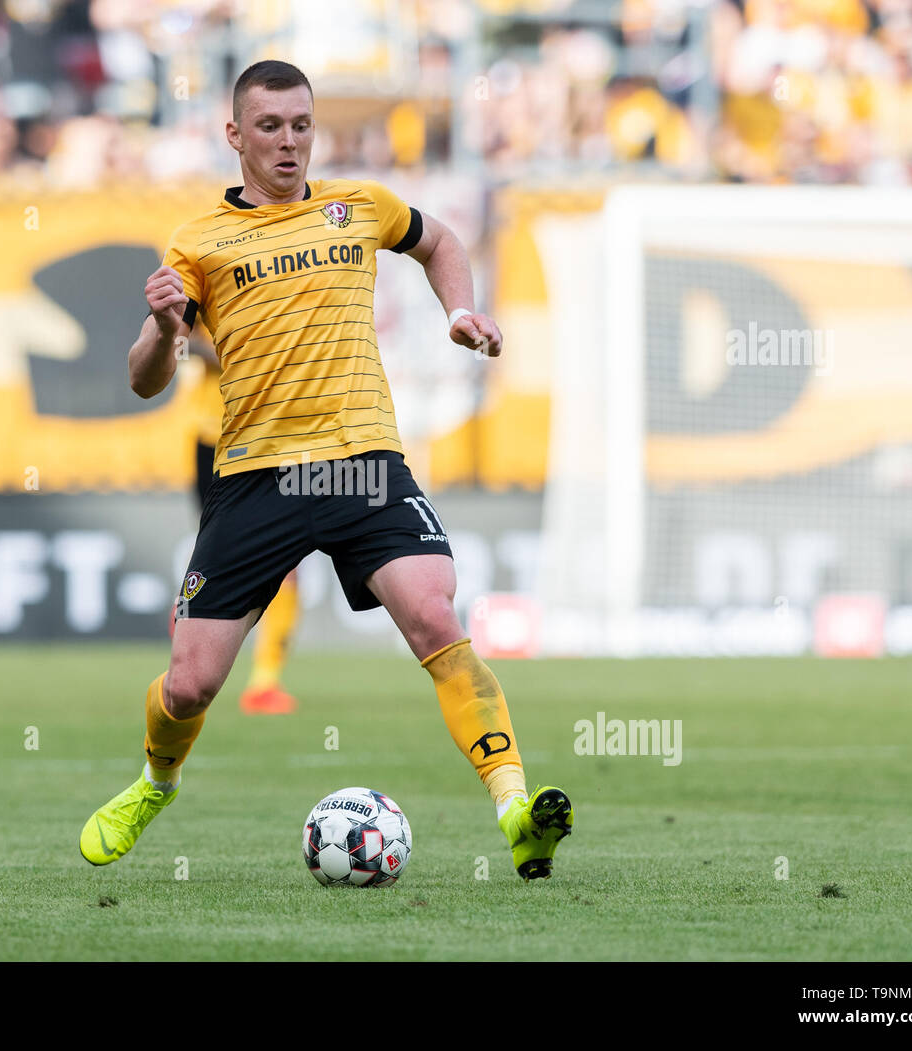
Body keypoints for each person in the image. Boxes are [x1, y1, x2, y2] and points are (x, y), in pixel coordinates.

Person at [80, 60, 573, 880]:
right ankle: (154, 783)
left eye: (301, 125)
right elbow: (143, 377)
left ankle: (515, 807)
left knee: (435, 616)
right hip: (256, 473)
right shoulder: (199, 241)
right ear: (234, 134)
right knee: (191, 684)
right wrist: (167, 329)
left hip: (362, 462)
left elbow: (441, 240)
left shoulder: (359, 206)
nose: (289, 142)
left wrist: (458, 309)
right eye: (270, 126)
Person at [180, 332, 302, 715]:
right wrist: (243, 353)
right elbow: (177, 341)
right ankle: (187, 665)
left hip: (274, 439)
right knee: (215, 556)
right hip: (215, 438)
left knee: (287, 560)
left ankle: (265, 682)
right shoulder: (203, 271)